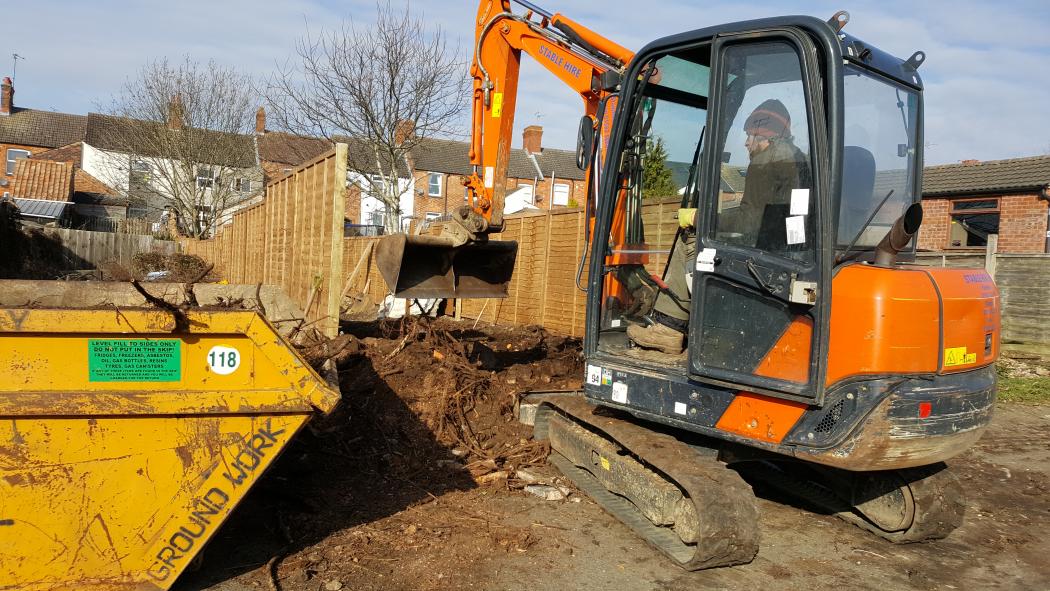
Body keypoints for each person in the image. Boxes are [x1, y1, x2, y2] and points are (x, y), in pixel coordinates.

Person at [627, 99, 807, 355]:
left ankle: (669, 328)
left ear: (765, 136)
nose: (746, 143)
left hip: (763, 260)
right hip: (786, 252)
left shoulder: (766, 161)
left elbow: (749, 221)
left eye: (750, 136)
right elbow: (769, 214)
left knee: (690, 238)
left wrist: (700, 218)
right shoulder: (798, 160)